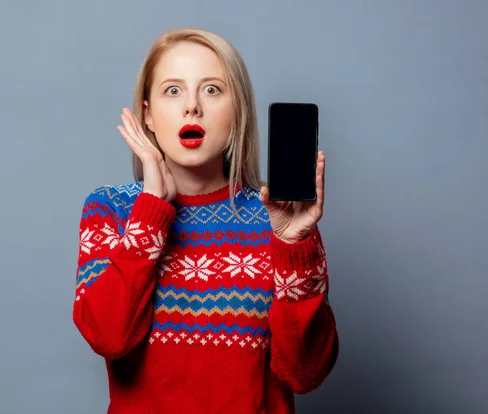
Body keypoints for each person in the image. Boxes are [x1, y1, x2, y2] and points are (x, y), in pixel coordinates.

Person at [72, 27, 339, 413]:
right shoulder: (110, 209)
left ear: (238, 112)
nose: (192, 107)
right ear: (147, 113)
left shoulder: (278, 216)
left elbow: (306, 373)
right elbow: (108, 337)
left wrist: (294, 247)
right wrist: (150, 212)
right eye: (173, 90)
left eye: (212, 89)